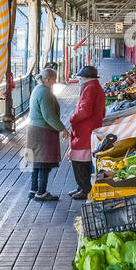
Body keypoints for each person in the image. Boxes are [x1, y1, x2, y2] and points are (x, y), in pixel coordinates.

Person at [26, 70, 68, 201]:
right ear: (48, 79)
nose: (55, 82)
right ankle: (41, 193)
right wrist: (62, 128)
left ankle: (33, 189)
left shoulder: (37, 88)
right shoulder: (45, 93)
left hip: (34, 129)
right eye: (54, 80)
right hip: (42, 131)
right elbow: (49, 116)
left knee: (36, 162)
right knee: (44, 162)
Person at [68, 64, 106, 201]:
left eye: (81, 77)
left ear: (85, 77)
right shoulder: (96, 87)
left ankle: (85, 189)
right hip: (91, 127)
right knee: (85, 159)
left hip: (85, 129)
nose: (79, 79)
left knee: (80, 160)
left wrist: (73, 118)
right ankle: (81, 187)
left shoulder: (89, 88)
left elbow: (85, 110)